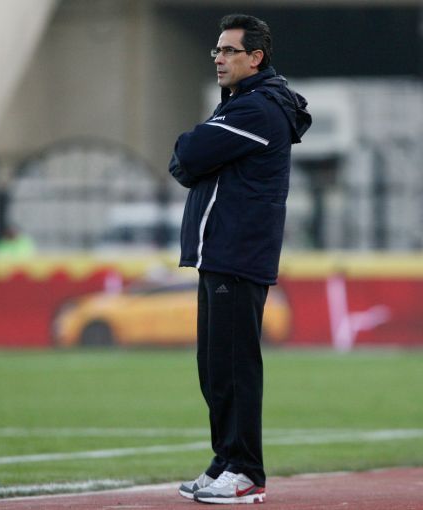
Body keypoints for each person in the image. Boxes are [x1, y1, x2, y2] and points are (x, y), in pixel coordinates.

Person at [168, 13, 311, 505]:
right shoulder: (239, 105)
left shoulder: (257, 109)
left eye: (229, 50)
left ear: (256, 58)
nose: (219, 58)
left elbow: (187, 154)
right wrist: (195, 149)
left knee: (234, 366)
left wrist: (195, 146)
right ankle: (226, 460)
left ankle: (246, 471)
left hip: (237, 252)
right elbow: (187, 162)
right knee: (214, 367)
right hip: (219, 253)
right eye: (217, 50)